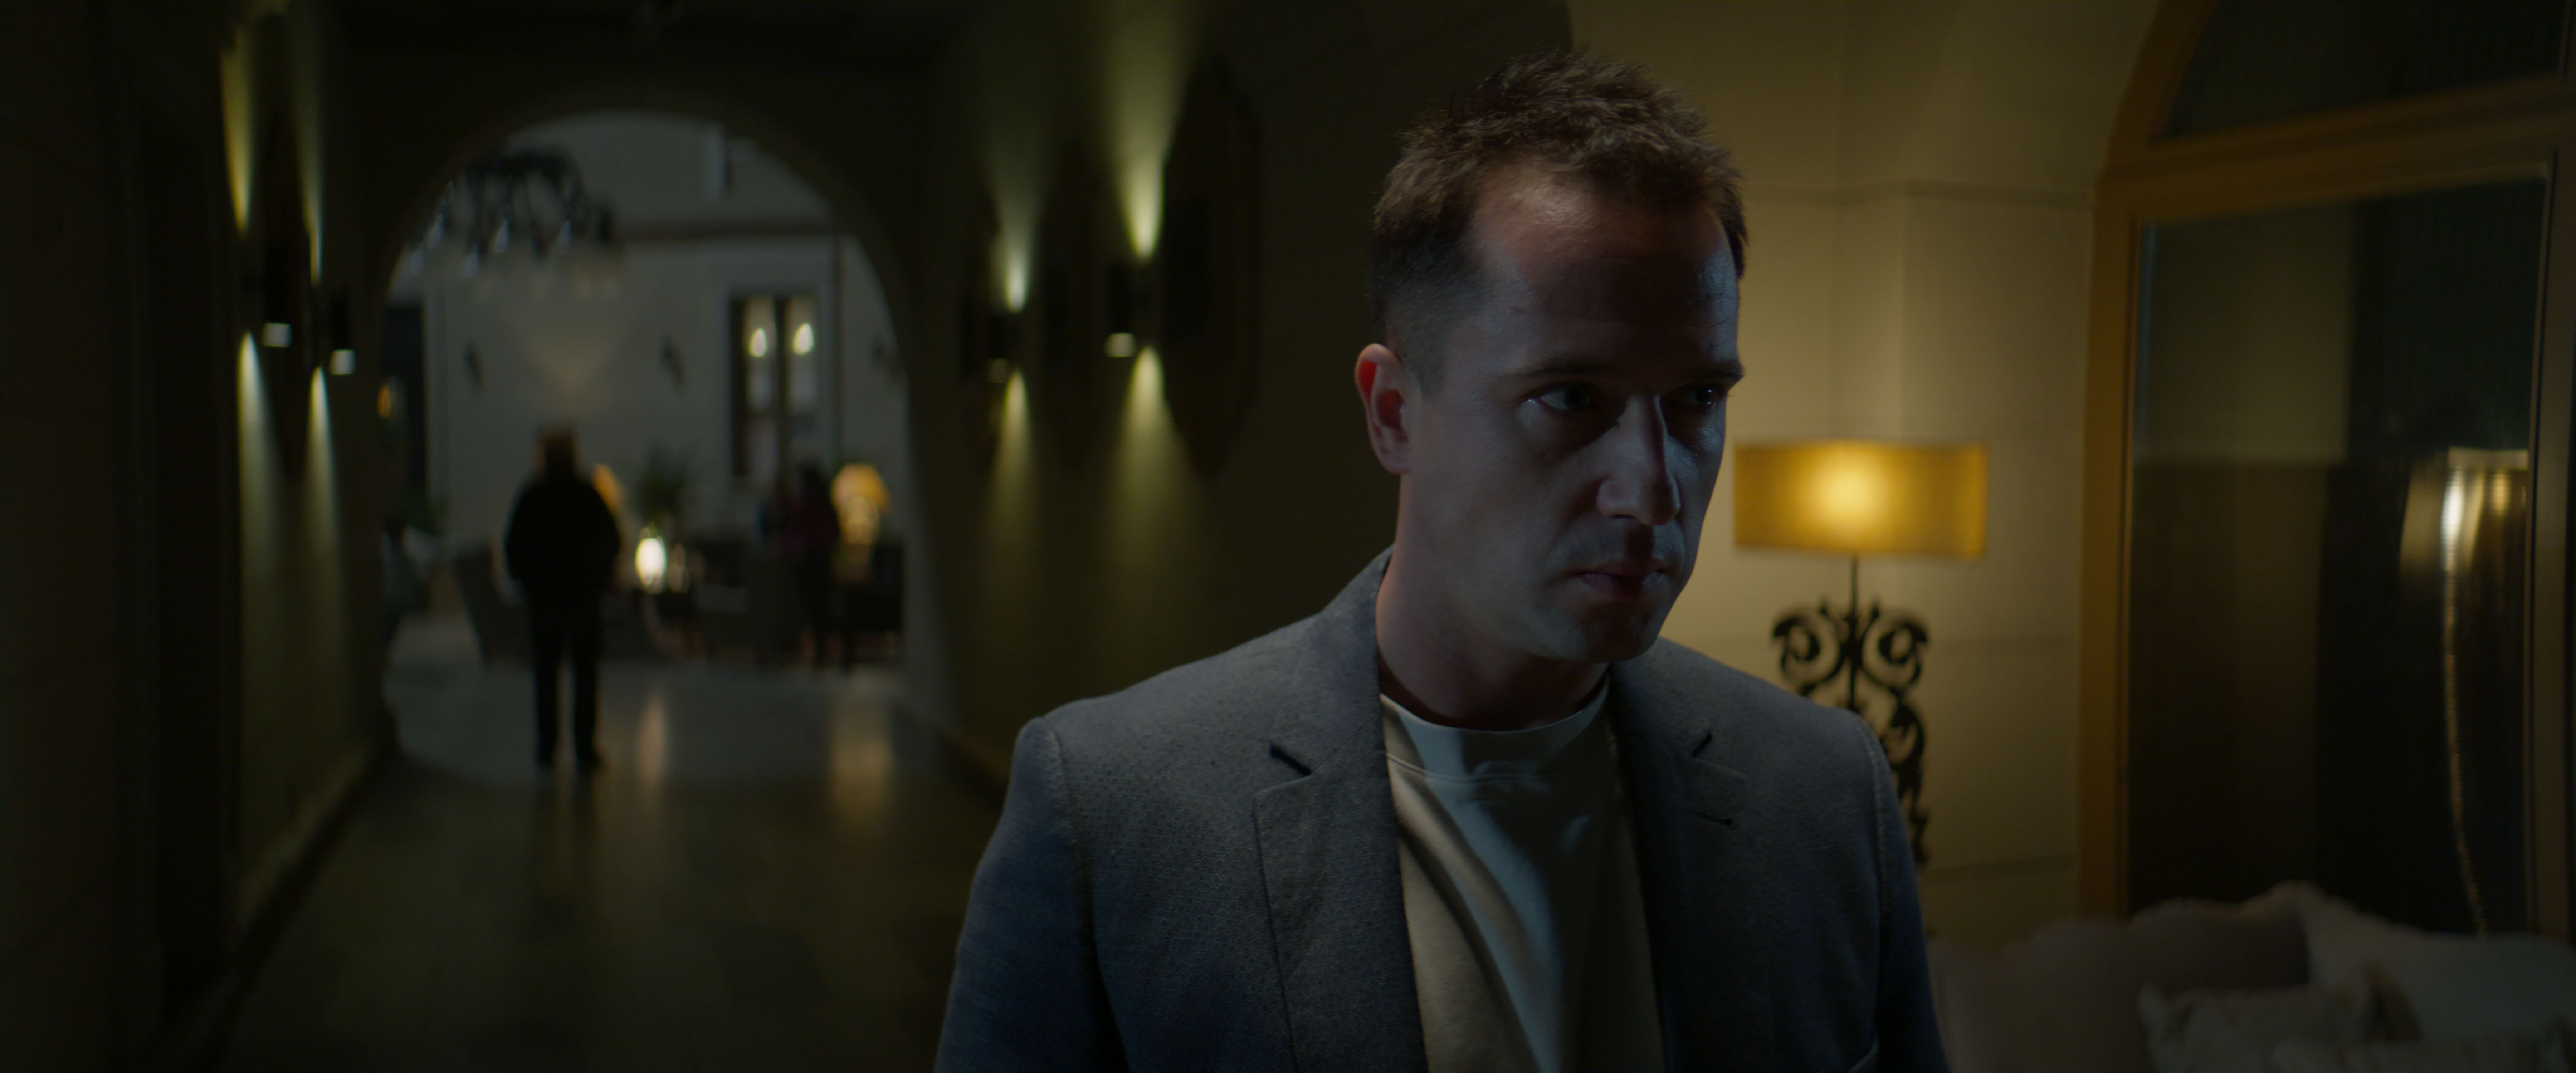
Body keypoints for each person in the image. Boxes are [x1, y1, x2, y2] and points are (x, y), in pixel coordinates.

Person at [936, 52, 1945, 1073]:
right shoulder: (1113, 811)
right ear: (1393, 413)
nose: (1651, 488)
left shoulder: (1824, 791)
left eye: (1696, 399)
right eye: (1571, 398)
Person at [503, 430, 622, 772]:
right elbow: (612, 540)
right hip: (583, 597)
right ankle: (584, 748)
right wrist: (599, 577)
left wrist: (529, 583)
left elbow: (514, 547)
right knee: (585, 674)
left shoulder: (533, 496)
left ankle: (547, 747)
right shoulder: (587, 494)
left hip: (545, 599)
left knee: (546, 675)